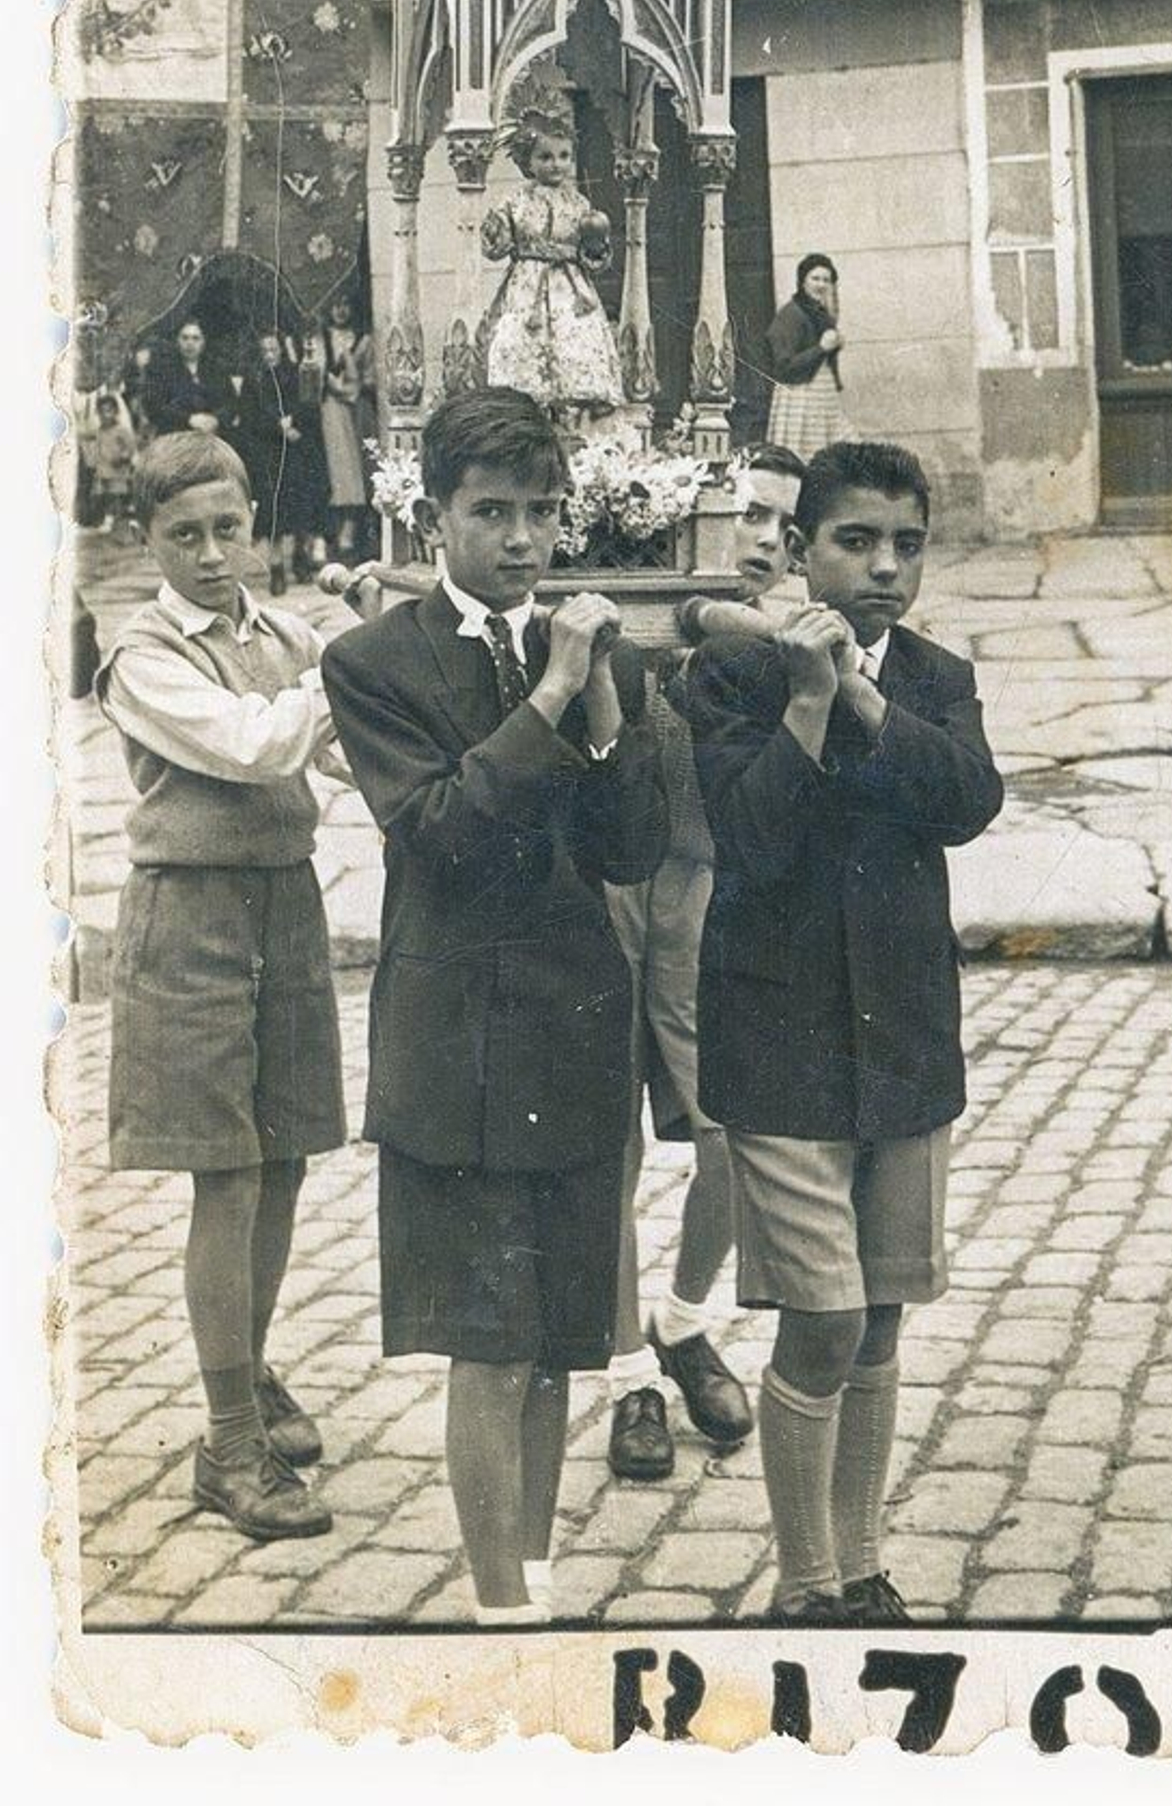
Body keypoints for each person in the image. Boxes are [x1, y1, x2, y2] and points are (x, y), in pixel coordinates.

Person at [321, 388, 669, 1625]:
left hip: (573, 1022)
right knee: (490, 1335)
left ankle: (536, 1577)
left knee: (561, 1339)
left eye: (542, 512)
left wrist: (607, 701)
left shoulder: (582, 650)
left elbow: (633, 849)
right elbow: (441, 831)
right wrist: (548, 698)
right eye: (492, 513)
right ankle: (495, 1596)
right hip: (457, 1040)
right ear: (434, 519)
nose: (523, 540)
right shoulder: (371, 662)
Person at [683, 439, 1005, 1624]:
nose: (882, 569)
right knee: (818, 1314)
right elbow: (754, 839)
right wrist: (810, 703)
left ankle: (861, 1569)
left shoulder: (934, 675)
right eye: (855, 543)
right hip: (781, 1039)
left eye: (905, 545)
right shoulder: (729, 674)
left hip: (903, 1038)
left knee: (877, 1316)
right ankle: (804, 1582)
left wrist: (865, 695)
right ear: (803, 549)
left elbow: (967, 799)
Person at [97, 433, 379, 1543]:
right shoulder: (141, 655)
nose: (213, 556)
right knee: (224, 1177)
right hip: (192, 919)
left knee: (287, 1155)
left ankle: (249, 1372)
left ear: (254, 521)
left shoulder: (282, 632)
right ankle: (225, 1444)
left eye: (228, 529)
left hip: (285, 904)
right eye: (184, 536)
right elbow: (261, 744)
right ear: (146, 540)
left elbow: (344, 748)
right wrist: (349, 668)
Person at [602, 443, 809, 1481]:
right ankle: (626, 1373)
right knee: (606, 1146)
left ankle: (682, 1321)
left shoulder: (789, 638)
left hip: (709, 903)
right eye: (749, 514)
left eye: (783, 523)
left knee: (732, 1136)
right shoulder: (652, 601)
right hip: (604, 897)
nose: (763, 539)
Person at [479, 104, 625, 427]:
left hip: (570, 289)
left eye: (563, 156)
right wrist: (495, 229)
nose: (555, 164)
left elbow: (593, 259)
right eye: (545, 157)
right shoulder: (516, 200)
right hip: (528, 286)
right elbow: (496, 247)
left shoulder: (578, 202)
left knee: (574, 345)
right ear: (527, 161)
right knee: (520, 346)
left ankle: (568, 420)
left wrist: (595, 243)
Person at [234, 329, 332, 593]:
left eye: (273, 350)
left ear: (281, 350)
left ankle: (301, 556)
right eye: (264, 351)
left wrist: (294, 424)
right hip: (269, 451)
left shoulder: (295, 374)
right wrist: (277, 425)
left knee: (300, 504)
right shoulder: (254, 381)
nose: (269, 355)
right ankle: (276, 565)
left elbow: (310, 406)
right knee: (273, 510)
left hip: (297, 449)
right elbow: (248, 417)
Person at [307, 294, 378, 560]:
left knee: (355, 473)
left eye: (346, 304)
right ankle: (328, 539)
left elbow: (370, 378)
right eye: (335, 305)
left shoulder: (363, 340)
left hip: (355, 412)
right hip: (328, 411)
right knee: (334, 473)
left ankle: (349, 536)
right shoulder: (320, 339)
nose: (340, 310)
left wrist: (354, 386)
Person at [765, 256, 846, 458]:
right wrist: (821, 348)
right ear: (803, 281)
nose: (821, 285)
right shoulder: (790, 315)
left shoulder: (819, 312)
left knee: (828, 449)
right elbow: (783, 367)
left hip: (821, 395)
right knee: (804, 454)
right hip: (799, 395)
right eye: (815, 278)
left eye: (826, 280)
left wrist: (834, 346)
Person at [142, 319, 233, 440]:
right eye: (184, 338)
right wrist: (189, 419)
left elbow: (232, 403)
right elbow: (154, 407)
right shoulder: (162, 371)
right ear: (177, 341)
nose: (190, 343)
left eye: (196, 338)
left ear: (203, 342)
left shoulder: (216, 371)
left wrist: (216, 419)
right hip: (174, 439)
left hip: (212, 438)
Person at [86, 389, 138, 535]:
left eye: (109, 411)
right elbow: (97, 449)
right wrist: (94, 463)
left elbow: (130, 447)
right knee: (105, 496)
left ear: (115, 412)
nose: (105, 415)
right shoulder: (99, 431)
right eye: (101, 412)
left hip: (117, 470)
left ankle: (113, 522)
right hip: (103, 470)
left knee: (115, 496)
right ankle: (110, 521)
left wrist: (123, 456)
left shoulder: (121, 430)